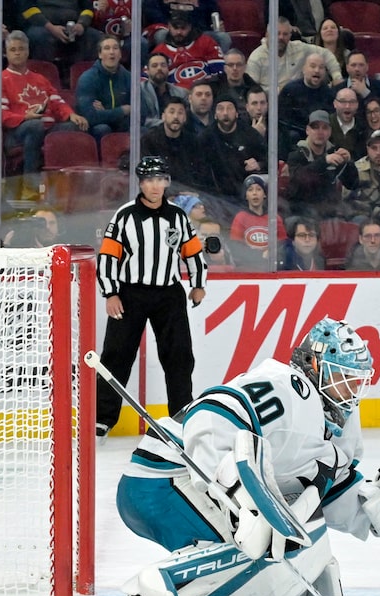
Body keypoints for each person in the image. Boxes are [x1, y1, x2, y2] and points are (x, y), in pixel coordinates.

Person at [74, 318, 380, 596]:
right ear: (313, 365)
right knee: (261, 548)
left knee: (288, 575)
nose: (350, 393)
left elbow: (347, 505)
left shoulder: (335, 429)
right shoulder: (291, 388)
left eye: (357, 383)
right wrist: (240, 494)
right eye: (343, 379)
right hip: (164, 479)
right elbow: (209, 416)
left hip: (185, 486)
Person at [94, 156, 206, 439]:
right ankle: (102, 418)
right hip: (130, 293)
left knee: (179, 355)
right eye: (149, 180)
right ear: (140, 183)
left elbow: (192, 251)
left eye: (160, 180)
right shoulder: (124, 216)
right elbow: (108, 256)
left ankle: (181, 414)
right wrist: (111, 292)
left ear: (166, 182)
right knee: (117, 354)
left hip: (169, 293)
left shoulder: (178, 216)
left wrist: (198, 283)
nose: (155, 186)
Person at [0, 30, 90, 196]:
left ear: (28, 51)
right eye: (13, 50)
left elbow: (57, 102)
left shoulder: (40, 79)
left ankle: (67, 188)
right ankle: (30, 185)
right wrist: (24, 117)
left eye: (21, 49)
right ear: (6, 53)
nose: (17, 53)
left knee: (75, 126)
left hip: (44, 129)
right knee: (34, 125)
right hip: (16, 133)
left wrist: (71, 114)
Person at [246, 17, 342, 93]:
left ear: (290, 36)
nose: (281, 37)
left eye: (285, 34)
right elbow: (252, 90)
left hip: (302, 99)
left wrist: (337, 77)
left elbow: (326, 54)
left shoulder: (299, 48)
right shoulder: (256, 58)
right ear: (267, 34)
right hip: (272, 105)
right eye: (277, 33)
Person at [76, 35, 132, 142]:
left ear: (120, 54)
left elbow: (141, 111)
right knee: (102, 128)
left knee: (140, 129)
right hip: (97, 128)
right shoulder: (88, 78)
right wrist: (122, 110)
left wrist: (106, 111)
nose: (112, 52)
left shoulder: (129, 77)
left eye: (115, 48)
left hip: (122, 124)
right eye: (107, 48)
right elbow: (91, 116)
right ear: (100, 54)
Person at [151, 11, 224, 90]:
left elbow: (220, 72)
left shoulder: (206, 42)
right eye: (175, 27)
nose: (179, 32)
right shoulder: (160, 51)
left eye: (183, 28)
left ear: (190, 27)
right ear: (169, 26)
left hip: (205, 92)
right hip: (175, 97)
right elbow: (145, 78)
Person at [230, 174, 287, 265]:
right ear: (246, 196)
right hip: (248, 267)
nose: (255, 193)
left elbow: (283, 244)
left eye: (259, 189)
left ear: (264, 194)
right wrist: (259, 256)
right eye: (250, 190)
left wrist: (273, 255)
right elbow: (236, 247)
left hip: (272, 267)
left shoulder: (274, 218)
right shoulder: (240, 217)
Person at [21, 0, 103, 63]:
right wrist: (51, 27)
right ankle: (44, 78)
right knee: (39, 37)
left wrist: (82, 24)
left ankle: (81, 77)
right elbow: (28, 9)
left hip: (73, 28)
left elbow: (88, 9)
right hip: (43, 26)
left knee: (95, 37)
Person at [139, 51, 188, 128]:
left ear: (168, 69)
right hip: (150, 134)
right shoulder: (139, 91)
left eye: (163, 65)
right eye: (154, 66)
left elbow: (186, 118)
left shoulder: (180, 93)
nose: (159, 68)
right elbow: (141, 120)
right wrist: (166, 123)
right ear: (147, 71)